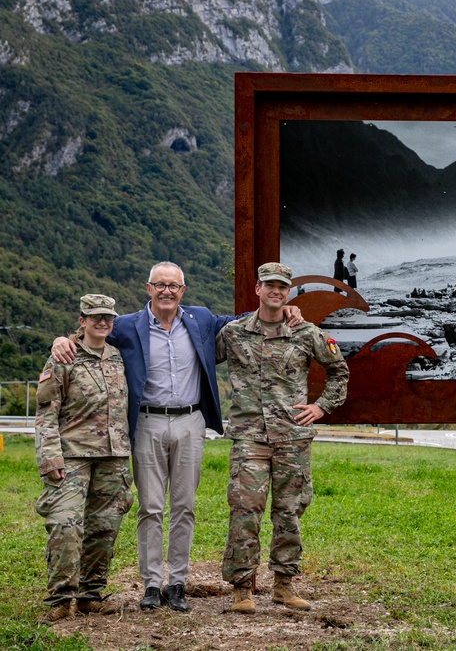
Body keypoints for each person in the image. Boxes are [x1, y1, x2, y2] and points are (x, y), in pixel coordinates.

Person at [50, 261, 302, 612]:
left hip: (190, 421)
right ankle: (152, 584)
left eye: (174, 286)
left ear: (182, 291)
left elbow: (247, 322)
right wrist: (63, 339)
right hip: (148, 422)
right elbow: (92, 332)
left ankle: (178, 583)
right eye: (160, 284)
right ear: (148, 288)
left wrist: (281, 306)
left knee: (184, 506)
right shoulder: (126, 326)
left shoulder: (200, 319)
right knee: (150, 506)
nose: (167, 291)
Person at [217, 262, 350, 614]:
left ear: (288, 292)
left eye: (282, 287)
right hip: (249, 437)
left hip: (292, 437)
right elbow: (195, 353)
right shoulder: (233, 333)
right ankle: (242, 588)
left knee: (289, 512)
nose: (276, 291)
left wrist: (321, 407)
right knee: (245, 511)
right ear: (257, 289)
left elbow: (339, 371)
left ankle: (284, 585)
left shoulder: (306, 333)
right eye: (269, 285)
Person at [35, 295, 133, 622]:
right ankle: (61, 599)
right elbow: (46, 413)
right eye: (95, 317)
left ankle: (91, 595)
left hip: (113, 456)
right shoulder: (63, 357)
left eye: (107, 317)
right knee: (65, 525)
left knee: (104, 529)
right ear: (82, 320)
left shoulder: (118, 357)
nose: (102, 322)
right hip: (72, 455)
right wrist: (50, 457)